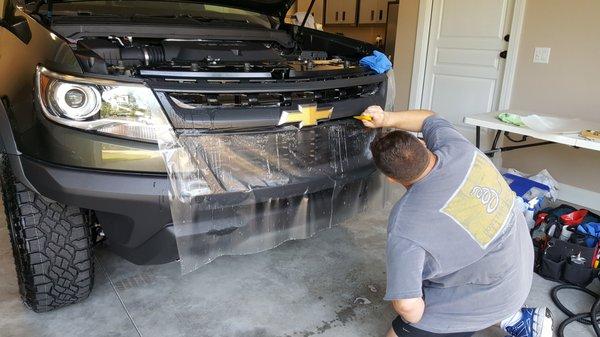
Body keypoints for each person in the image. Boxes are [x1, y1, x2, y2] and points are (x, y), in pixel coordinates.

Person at [359, 106, 553, 337]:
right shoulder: (459, 148)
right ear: (423, 145)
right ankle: (513, 317)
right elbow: (429, 118)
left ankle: (494, 314)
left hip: (496, 292)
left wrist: (426, 313)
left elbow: (409, 308)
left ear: (391, 179)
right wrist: (386, 118)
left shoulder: (405, 225)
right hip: (520, 266)